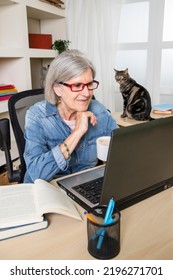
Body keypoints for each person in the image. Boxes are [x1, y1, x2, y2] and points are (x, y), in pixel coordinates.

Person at [23, 49, 119, 183]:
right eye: (77, 85)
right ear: (57, 88)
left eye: (89, 84)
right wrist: (78, 132)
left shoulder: (99, 110)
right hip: (48, 189)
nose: (86, 93)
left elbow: (122, 149)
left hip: (85, 186)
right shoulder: (37, 116)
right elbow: (36, 173)